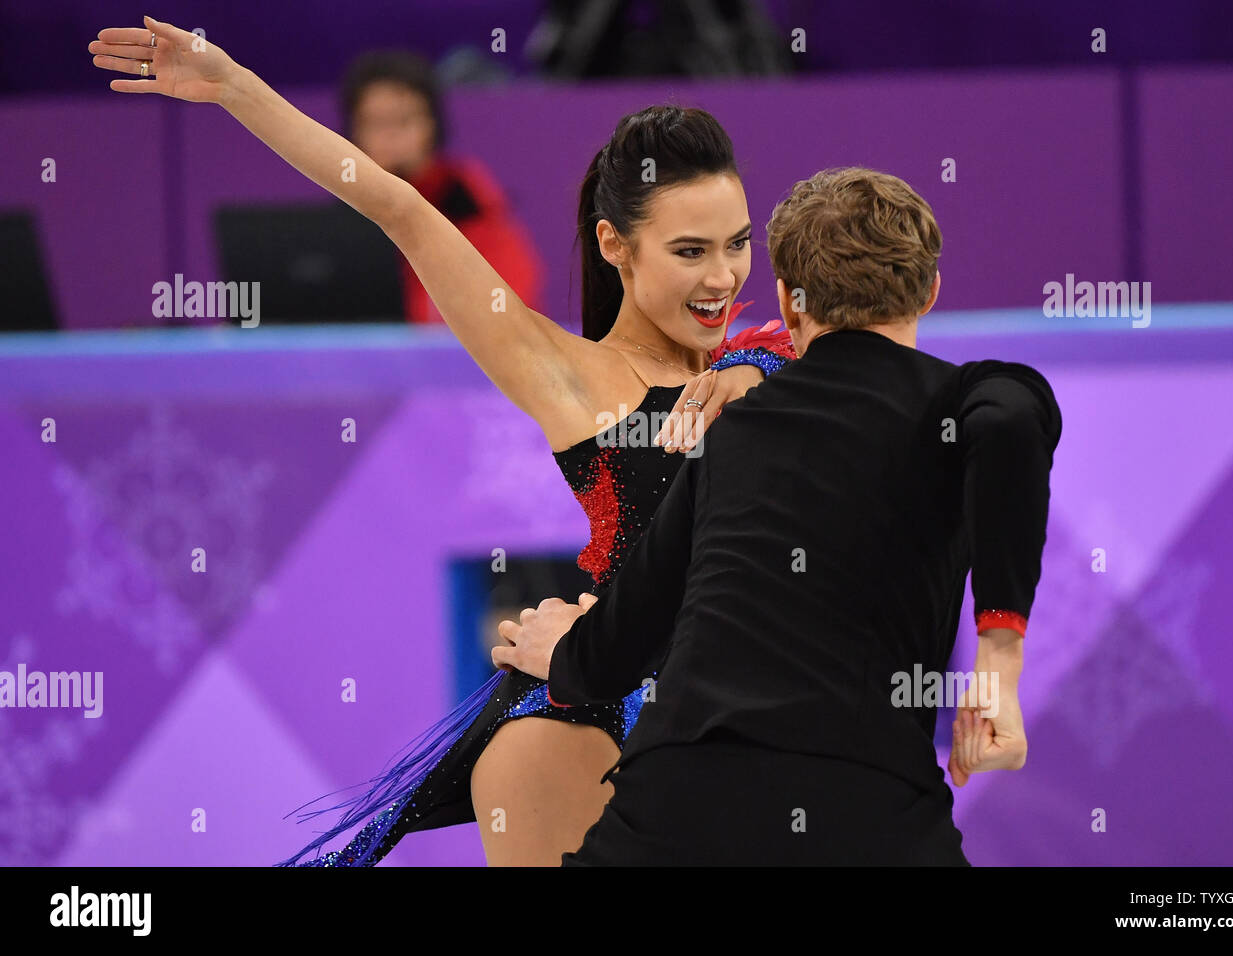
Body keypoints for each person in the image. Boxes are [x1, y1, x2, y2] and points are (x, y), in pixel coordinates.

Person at [88, 17, 795, 866]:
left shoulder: (781, 359)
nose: (722, 278)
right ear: (616, 247)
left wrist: (758, 358)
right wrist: (235, 86)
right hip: (590, 721)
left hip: (746, 719)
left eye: (737, 245)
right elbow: (403, 212)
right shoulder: (564, 374)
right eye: (690, 251)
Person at [496, 166, 1063, 865]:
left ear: (790, 308)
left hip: (675, 810)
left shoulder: (733, 431)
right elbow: (1009, 427)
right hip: (864, 810)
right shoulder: (966, 399)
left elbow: (621, 644)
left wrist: (564, 651)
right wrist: (998, 668)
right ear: (931, 291)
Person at [340, 50, 545, 324]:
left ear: (432, 126)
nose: (390, 135)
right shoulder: (341, 220)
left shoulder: (469, 201)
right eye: (376, 123)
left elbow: (512, 304)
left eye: (403, 120)